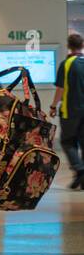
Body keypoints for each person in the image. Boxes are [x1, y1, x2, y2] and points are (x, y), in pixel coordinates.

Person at [51, 32, 84, 189]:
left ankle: (79, 169)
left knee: (68, 142)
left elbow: (60, 89)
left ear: (69, 46)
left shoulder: (67, 64)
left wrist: (52, 106)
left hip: (70, 111)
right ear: (82, 45)